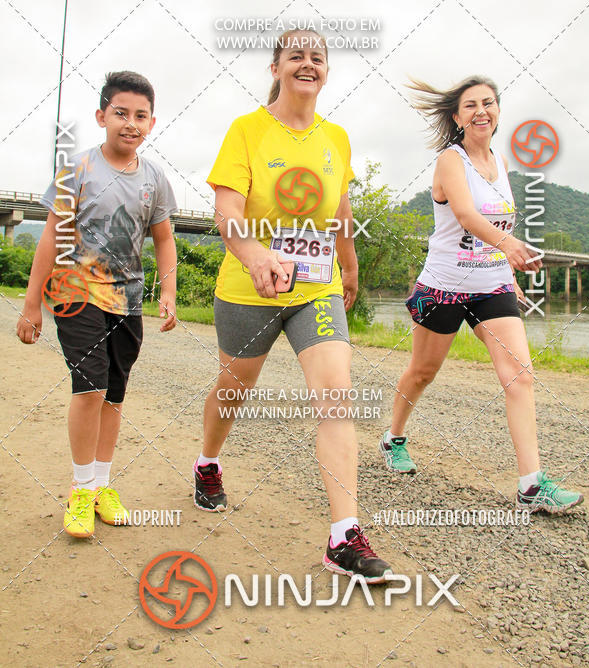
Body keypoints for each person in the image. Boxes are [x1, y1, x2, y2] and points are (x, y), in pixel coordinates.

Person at [194, 30, 393, 582]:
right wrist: (255, 254)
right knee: (234, 388)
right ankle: (208, 461)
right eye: (296, 56)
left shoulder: (337, 138)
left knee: (335, 394)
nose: (308, 65)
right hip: (248, 288)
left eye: (318, 58)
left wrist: (349, 267)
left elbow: (340, 210)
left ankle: (343, 534)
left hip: (316, 289)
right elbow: (228, 211)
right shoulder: (247, 130)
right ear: (276, 66)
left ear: (326, 71)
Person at [380, 76, 583, 515]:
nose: (481, 111)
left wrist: (507, 273)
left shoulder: (499, 161)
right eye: (470, 105)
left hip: (491, 285)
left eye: (488, 103)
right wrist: (510, 249)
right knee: (422, 372)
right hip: (444, 286)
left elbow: (500, 224)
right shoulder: (450, 161)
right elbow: (468, 216)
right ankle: (393, 437)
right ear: (457, 117)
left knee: (520, 375)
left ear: (497, 110)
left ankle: (531, 484)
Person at [16, 71, 178, 538]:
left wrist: (166, 293)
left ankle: (104, 485)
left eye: (141, 115)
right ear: (101, 116)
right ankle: (80, 489)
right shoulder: (78, 171)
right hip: (75, 293)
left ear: (151, 122)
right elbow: (51, 236)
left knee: (114, 393)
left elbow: (164, 240)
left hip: (126, 300)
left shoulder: (154, 179)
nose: (131, 123)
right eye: (121, 113)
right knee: (89, 387)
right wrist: (32, 305)